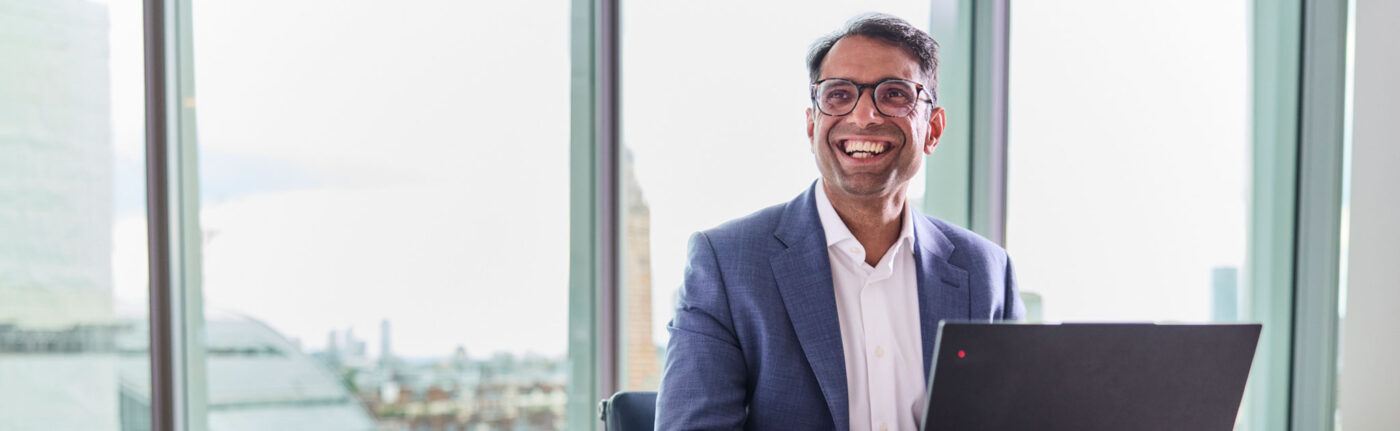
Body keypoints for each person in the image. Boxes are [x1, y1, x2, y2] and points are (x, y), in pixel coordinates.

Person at [654, 13, 1025, 431]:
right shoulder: (726, 266)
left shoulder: (986, 272)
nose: (864, 116)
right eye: (838, 95)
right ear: (812, 124)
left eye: (895, 94)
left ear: (933, 130)